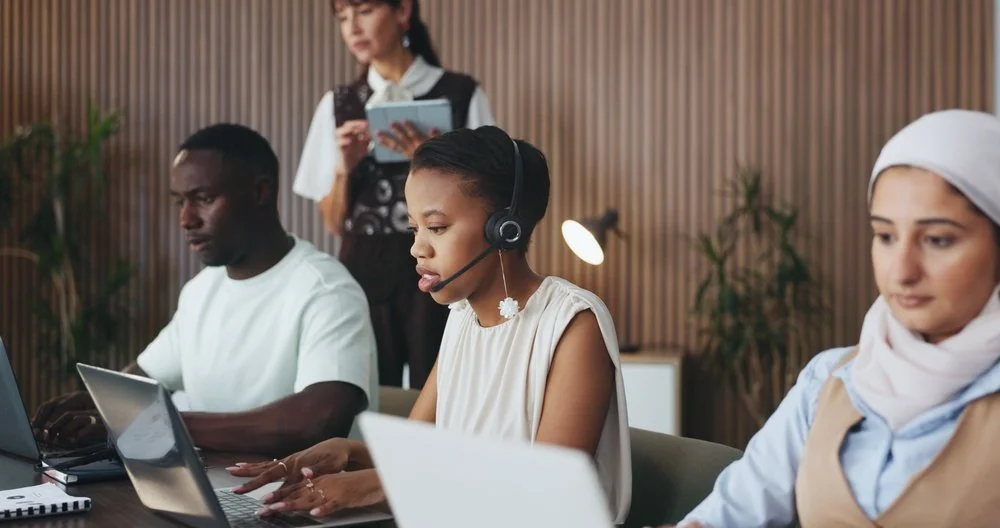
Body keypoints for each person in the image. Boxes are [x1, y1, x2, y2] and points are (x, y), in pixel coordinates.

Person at [229, 126, 633, 525]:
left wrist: (376, 483)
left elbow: (546, 488)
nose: (417, 248)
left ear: (504, 229)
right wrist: (350, 453)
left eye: (436, 227)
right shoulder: (461, 318)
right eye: (414, 228)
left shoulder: (573, 324)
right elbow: (422, 456)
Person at [662, 109, 1000, 528]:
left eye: (937, 240)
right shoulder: (829, 379)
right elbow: (726, 517)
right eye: (886, 236)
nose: (902, 271)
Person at [30, 123, 379, 458]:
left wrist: (165, 424)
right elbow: (139, 384)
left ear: (261, 192)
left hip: (306, 503)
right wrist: (88, 403)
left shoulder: (326, 289)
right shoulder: (200, 291)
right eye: (179, 201)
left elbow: (318, 419)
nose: (186, 219)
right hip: (218, 485)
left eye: (203, 198)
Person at [293, 0, 496, 390]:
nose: (352, 27)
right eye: (342, 17)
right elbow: (334, 223)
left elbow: (488, 201)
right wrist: (344, 168)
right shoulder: (338, 104)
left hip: (442, 265)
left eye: (364, 11)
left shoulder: (459, 94)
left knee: (441, 393)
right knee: (367, 394)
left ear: (402, 11)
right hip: (363, 272)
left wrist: (429, 161)